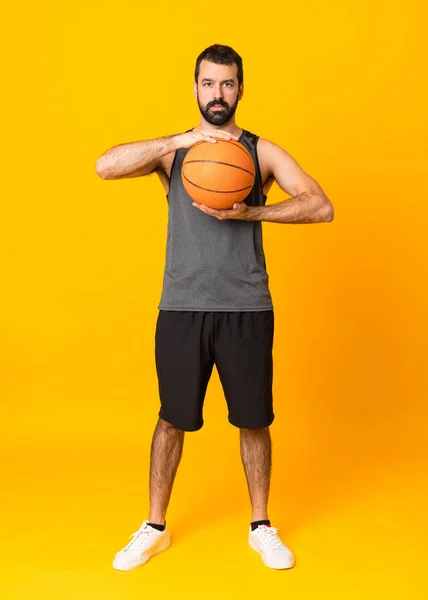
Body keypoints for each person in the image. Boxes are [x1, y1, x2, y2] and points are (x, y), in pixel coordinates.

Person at [95, 43, 334, 572]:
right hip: (181, 306)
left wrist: (253, 212)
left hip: (246, 306)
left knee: (253, 419)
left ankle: (261, 525)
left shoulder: (261, 152)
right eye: (208, 84)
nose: (218, 94)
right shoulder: (172, 151)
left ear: (241, 89)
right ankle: (155, 527)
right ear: (196, 88)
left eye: (227, 84)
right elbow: (104, 166)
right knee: (171, 419)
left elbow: (321, 205)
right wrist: (181, 139)